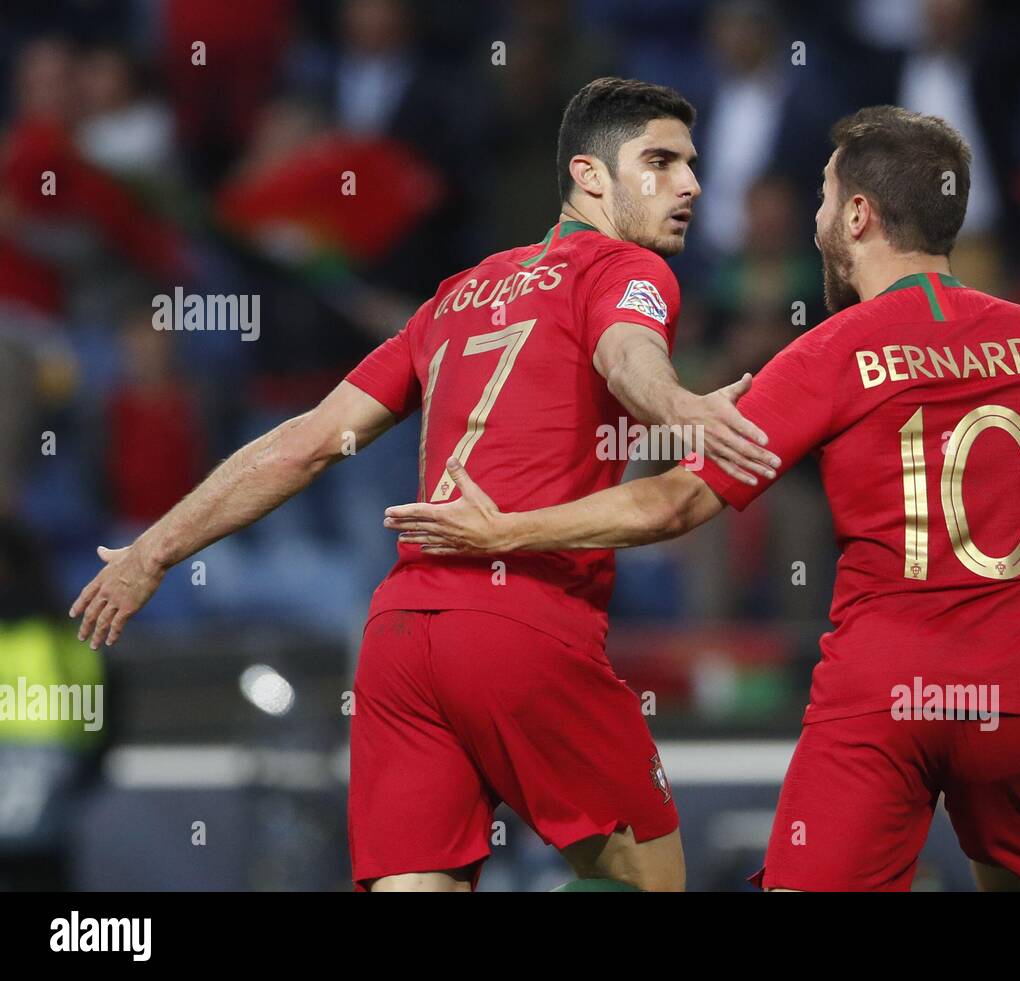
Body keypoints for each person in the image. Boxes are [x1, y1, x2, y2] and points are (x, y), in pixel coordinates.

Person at [387, 106, 1020, 892]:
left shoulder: (829, 354)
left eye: (822, 195)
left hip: (882, 702)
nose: (817, 218)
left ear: (857, 215)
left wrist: (504, 529)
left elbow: (675, 504)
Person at [70, 77, 776, 893]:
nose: (689, 183)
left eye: (692, 164)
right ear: (589, 175)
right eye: (659, 161)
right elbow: (629, 357)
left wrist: (154, 550)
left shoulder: (456, 296)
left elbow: (304, 442)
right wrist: (684, 409)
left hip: (402, 635)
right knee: (649, 879)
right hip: (525, 623)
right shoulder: (625, 269)